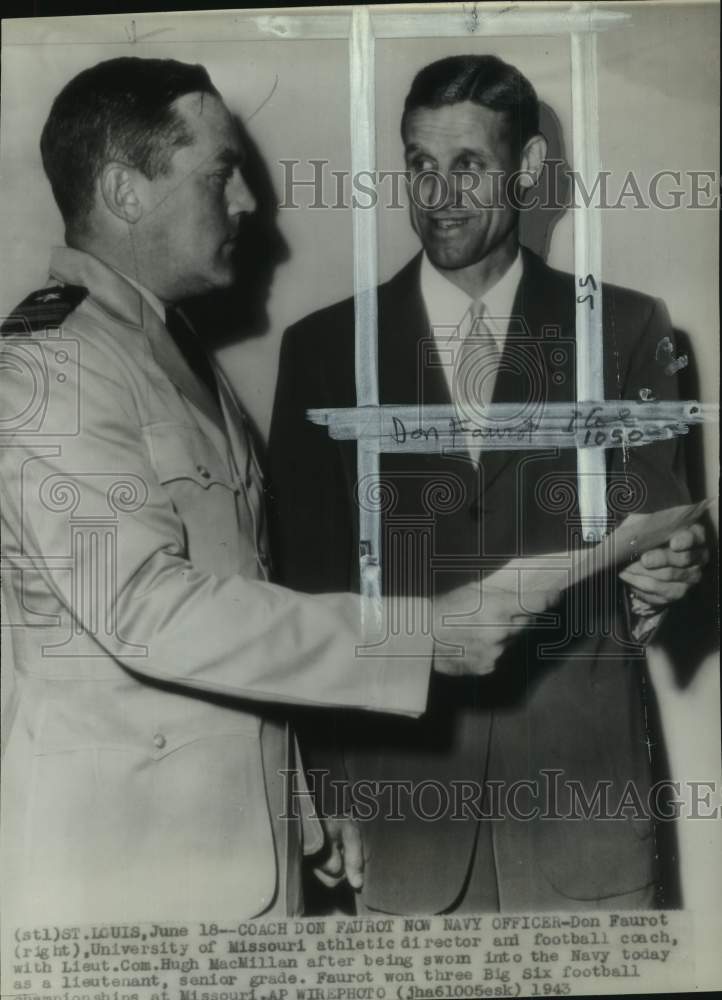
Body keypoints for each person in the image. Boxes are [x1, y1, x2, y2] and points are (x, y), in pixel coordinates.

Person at [0, 56, 551, 931]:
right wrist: (420, 638)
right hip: (119, 879)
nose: (250, 201)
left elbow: (242, 613)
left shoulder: (166, 352)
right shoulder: (49, 365)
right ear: (124, 190)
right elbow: (149, 610)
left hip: (241, 868)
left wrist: (295, 801)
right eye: (221, 173)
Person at [268, 54, 709, 913]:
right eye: (420, 166)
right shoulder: (324, 351)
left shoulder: (626, 326)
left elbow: (663, 533)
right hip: (402, 819)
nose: (437, 196)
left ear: (531, 168)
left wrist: (672, 573)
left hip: (587, 813)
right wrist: (317, 787)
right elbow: (300, 596)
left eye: (467, 166)